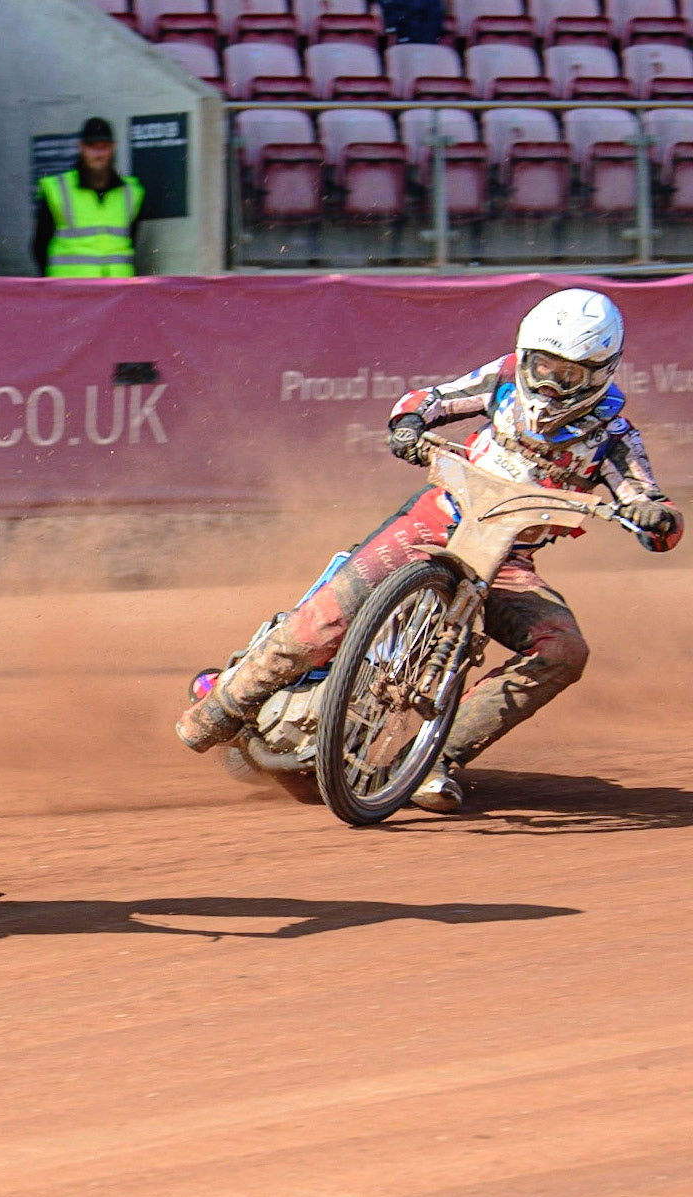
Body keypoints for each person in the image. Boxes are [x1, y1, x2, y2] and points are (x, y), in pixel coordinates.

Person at [175, 289, 682, 812]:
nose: (550, 383)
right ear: (525, 354)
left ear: (601, 373)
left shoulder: (614, 438)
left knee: (564, 650)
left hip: (507, 562)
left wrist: (655, 516)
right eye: (542, 365)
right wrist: (409, 426)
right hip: (434, 522)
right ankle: (224, 705)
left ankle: (434, 758)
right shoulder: (505, 377)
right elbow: (428, 399)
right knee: (328, 617)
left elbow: (650, 509)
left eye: (569, 375)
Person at [33, 117, 144, 278]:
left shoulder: (131, 192)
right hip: (71, 290)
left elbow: (131, 239)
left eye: (104, 147)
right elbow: (40, 246)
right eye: (92, 147)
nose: (98, 154)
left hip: (117, 290)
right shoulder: (57, 189)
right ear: (81, 147)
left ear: (113, 147)